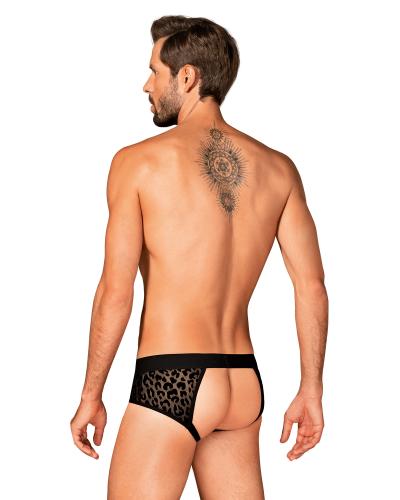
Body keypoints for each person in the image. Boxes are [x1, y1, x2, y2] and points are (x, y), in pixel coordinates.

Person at [70, 15, 329, 500]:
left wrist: (91, 394)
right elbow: (311, 287)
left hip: (170, 376)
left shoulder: (137, 162)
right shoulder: (278, 169)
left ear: (186, 77)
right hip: (242, 383)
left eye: (155, 71)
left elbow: (115, 292)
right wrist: (311, 389)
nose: (147, 85)